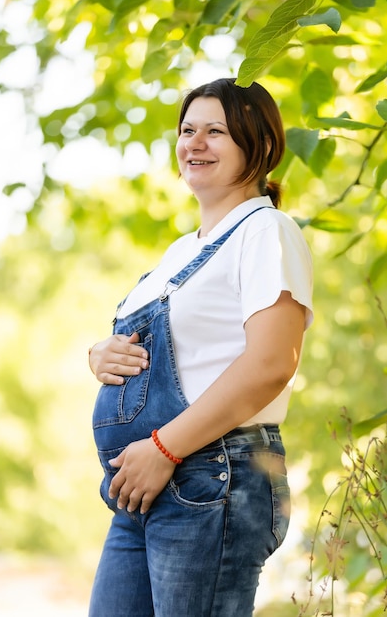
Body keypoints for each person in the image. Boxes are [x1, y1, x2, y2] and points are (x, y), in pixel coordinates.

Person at [87, 77, 313, 617]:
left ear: (258, 145)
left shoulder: (266, 230)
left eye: (216, 131)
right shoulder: (180, 252)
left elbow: (271, 363)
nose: (194, 143)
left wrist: (164, 448)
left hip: (212, 473)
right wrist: (100, 354)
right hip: (140, 485)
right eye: (188, 130)